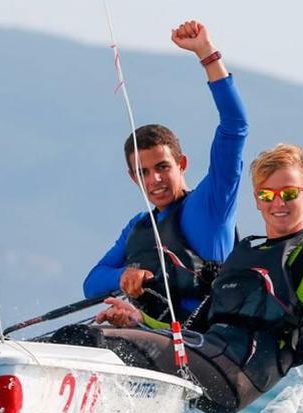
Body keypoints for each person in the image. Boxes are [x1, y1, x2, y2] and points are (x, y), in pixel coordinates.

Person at [88, 143, 303, 413]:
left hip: (237, 375)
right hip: (203, 356)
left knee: (99, 339)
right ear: (257, 200)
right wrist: (140, 320)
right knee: (92, 335)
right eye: (268, 195)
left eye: (289, 193)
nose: (278, 203)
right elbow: (193, 327)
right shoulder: (245, 252)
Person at [82, 20, 248, 325]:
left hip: (205, 345)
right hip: (154, 337)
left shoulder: (212, 204)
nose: (154, 179)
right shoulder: (139, 226)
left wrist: (206, 54)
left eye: (162, 167)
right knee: (80, 335)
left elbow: (235, 127)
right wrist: (125, 276)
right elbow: (92, 283)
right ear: (134, 178)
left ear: (181, 164)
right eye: (143, 172)